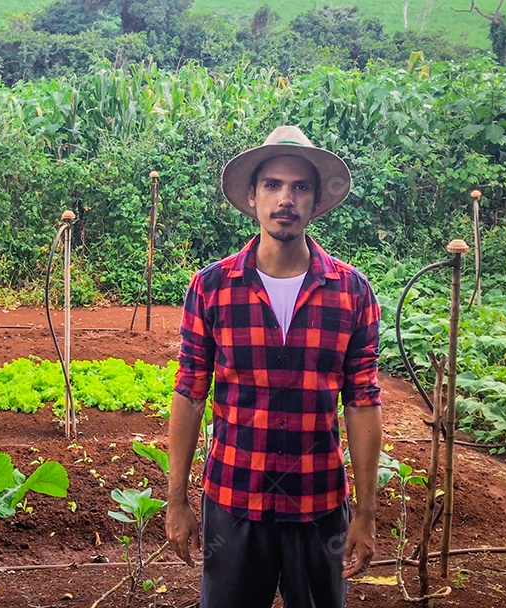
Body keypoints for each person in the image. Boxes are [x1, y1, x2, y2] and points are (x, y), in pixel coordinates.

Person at [164, 125, 383, 608]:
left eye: (300, 186)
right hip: (234, 498)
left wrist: (365, 512)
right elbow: (190, 392)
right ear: (252, 195)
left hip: (319, 503)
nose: (286, 198)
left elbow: (363, 401)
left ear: (316, 200)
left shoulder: (351, 292)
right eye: (273, 185)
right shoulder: (212, 287)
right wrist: (176, 498)